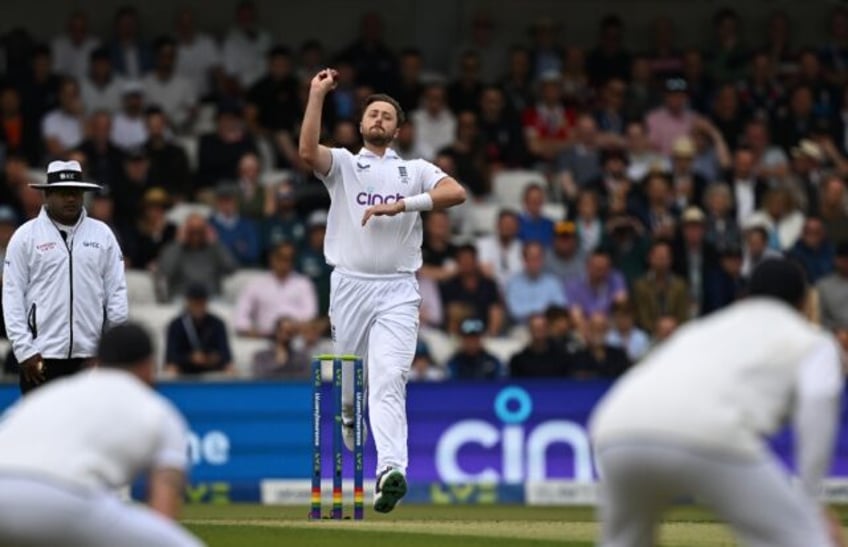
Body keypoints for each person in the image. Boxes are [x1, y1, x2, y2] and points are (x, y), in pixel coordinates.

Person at [298, 68, 466, 513]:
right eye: (372, 113)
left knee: (390, 378)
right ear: (360, 124)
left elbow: (456, 192)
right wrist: (317, 94)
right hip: (350, 285)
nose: (378, 119)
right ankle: (352, 416)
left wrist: (404, 204)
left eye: (386, 115)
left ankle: (391, 470)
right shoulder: (345, 165)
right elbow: (305, 151)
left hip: (397, 288)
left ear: (397, 128)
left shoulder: (414, 170)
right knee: (352, 382)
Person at [590, 258, 846, 547]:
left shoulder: (704, 328)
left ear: (747, 296)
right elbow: (817, 419)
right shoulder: (814, 342)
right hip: (710, 433)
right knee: (807, 539)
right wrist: (811, 504)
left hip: (616, 428)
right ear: (802, 302)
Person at [0, 323, 203, 547]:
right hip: (67, 498)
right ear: (149, 366)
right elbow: (163, 517)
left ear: (95, 362)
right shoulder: (158, 411)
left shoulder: (51, 394)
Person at [2, 160, 128, 394]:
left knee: (91, 430)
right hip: (40, 358)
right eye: (62, 193)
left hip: (91, 358)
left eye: (75, 192)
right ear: (47, 195)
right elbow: (12, 297)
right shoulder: (24, 237)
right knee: (43, 430)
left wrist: (108, 352)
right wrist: (25, 350)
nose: (70, 198)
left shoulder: (103, 234)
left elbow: (117, 295)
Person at [164, 283, 233, 377]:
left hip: (211, 367)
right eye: (195, 303)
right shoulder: (177, 325)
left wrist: (211, 358)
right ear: (188, 302)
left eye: (202, 302)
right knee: (171, 369)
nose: (199, 306)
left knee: (230, 368)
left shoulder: (217, 324)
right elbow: (170, 356)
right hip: (185, 368)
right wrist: (190, 358)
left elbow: (226, 355)